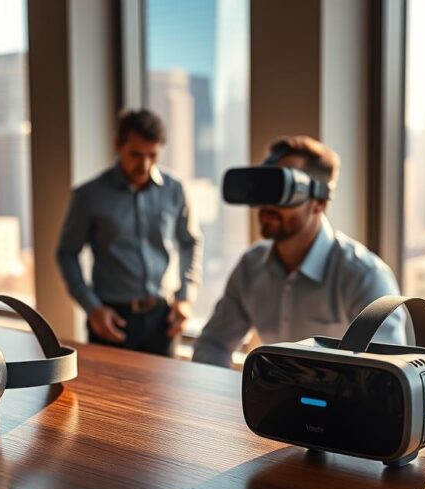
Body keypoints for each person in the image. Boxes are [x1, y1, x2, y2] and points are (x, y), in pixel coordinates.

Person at [192, 135, 405, 368]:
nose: (267, 204)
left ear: (319, 202)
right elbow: (212, 344)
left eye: (282, 188)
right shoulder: (250, 267)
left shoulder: (364, 276)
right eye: (266, 187)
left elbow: (388, 370)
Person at [57, 109, 202, 357]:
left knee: (164, 385)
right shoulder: (89, 195)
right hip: (111, 319)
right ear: (118, 145)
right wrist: (92, 308)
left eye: (152, 155)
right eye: (136, 154)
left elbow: (190, 242)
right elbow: (67, 253)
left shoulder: (175, 189)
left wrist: (186, 297)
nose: (144, 165)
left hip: (163, 319)